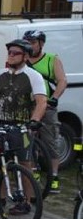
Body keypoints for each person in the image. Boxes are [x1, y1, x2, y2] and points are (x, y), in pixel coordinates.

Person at [0, 39, 46, 213]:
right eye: (9, 53)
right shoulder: (0, 74)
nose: (11, 56)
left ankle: (26, 202)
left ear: (26, 56)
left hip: (21, 127)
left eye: (16, 53)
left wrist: (34, 120)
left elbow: (41, 101)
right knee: (1, 162)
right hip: (1, 124)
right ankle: (1, 197)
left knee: (24, 164)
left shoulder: (33, 76)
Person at [24, 29, 67, 193]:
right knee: (28, 140)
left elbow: (62, 80)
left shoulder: (51, 59)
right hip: (28, 106)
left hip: (47, 107)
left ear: (41, 44)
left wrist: (54, 98)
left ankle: (54, 175)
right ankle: (33, 173)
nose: (30, 46)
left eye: (33, 42)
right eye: (27, 42)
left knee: (50, 141)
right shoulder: (22, 59)